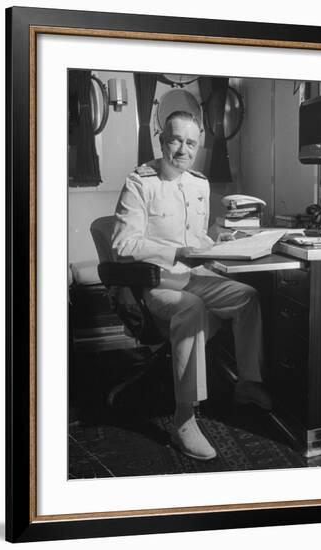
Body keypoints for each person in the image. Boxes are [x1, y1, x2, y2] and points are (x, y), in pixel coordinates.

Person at [111, 110, 272, 461]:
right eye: (175, 140)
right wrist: (177, 252)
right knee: (191, 307)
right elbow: (123, 245)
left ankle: (247, 382)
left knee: (247, 296)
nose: (183, 149)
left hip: (194, 277)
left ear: (198, 146)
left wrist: (217, 241)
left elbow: (196, 237)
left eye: (190, 142)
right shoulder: (140, 183)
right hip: (159, 282)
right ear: (162, 140)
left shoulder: (199, 183)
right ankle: (185, 417)